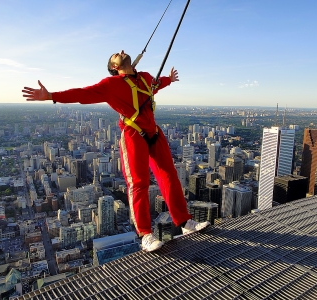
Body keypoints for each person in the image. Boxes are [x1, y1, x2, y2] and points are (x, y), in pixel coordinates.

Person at [22, 50, 210, 252]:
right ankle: (145, 235)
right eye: (115, 55)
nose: (120, 52)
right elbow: (83, 93)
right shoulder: (111, 85)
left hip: (154, 133)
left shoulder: (145, 78)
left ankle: (184, 223)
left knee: (170, 176)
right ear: (114, 67)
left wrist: (169, 80)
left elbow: (156, 85)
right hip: (133, 134)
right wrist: (51, 96)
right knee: (138, 183)